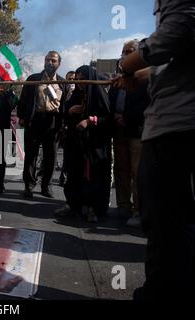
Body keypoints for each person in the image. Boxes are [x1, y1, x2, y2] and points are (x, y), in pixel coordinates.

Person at [113, 0, 195, 299]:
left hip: (175, 128)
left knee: (166, 222)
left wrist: (128, 64)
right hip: (173, 126)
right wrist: (143, 75)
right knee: (169, 221)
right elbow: (177, 58)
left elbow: (179, 32)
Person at [56, 65, 112, 223]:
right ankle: (72, 204)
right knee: (73, 175)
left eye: (83, 79)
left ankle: (94, 209)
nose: (80, 83)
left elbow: (108, 120)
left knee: (94, 177)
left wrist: (90, 121)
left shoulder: (99, 94)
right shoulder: (75, 95)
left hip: (94, 146)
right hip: (76, 144)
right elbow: (66, 116)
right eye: (77, 79)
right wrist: (70, 111)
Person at [110, 40, 150, 227]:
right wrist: (115, 116)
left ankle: (138, 211)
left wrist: (127, 117)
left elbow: (146, 104)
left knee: (137, 172)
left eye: (130, 52)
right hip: (119, 132)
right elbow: (111, 102)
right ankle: (123, 205)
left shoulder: (145, 77)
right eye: (124, 52)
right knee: (120, 170)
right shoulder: (117, 79)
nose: (126, 55)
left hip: (136, 132)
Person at [17, 51, 68, 199]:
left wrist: (63, 123)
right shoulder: (33, 79)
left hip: (53, 122)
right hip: (35, 120)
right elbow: (23, 99)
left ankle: (46, 186)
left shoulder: (62, 82)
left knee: (50, 156)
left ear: (59, 64)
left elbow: (64, 105)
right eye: (47, 60)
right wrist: (22, 116)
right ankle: (29, 185)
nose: (50, 63)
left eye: (53, 61)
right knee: (31, 155)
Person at [58, 70, 76, 187]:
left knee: (69, 153)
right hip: (61, 125)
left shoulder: (77, 92)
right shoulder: (62, 91)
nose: (71, 82)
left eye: (73, 80)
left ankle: (65, 177)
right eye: (69, 80)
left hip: (72, 126)